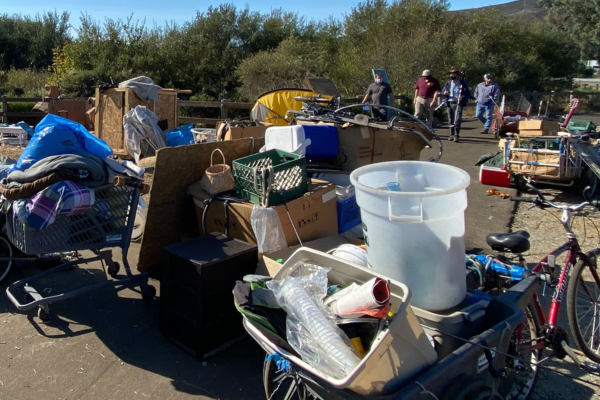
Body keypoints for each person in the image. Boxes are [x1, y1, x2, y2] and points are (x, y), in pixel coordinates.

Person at [441, 69, 471, 143]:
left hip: (458, 103)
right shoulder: (448, 83)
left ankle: (456, 135)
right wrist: (445, 93)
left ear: (457, 75)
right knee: (450, 119)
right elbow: (442, 91)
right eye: (451, 74)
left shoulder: (462, 83)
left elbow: (467, 93)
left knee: (457, 120)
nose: (452, 76)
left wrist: (462, 97)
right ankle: (451, 134)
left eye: (454, 74)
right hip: (449, 103)